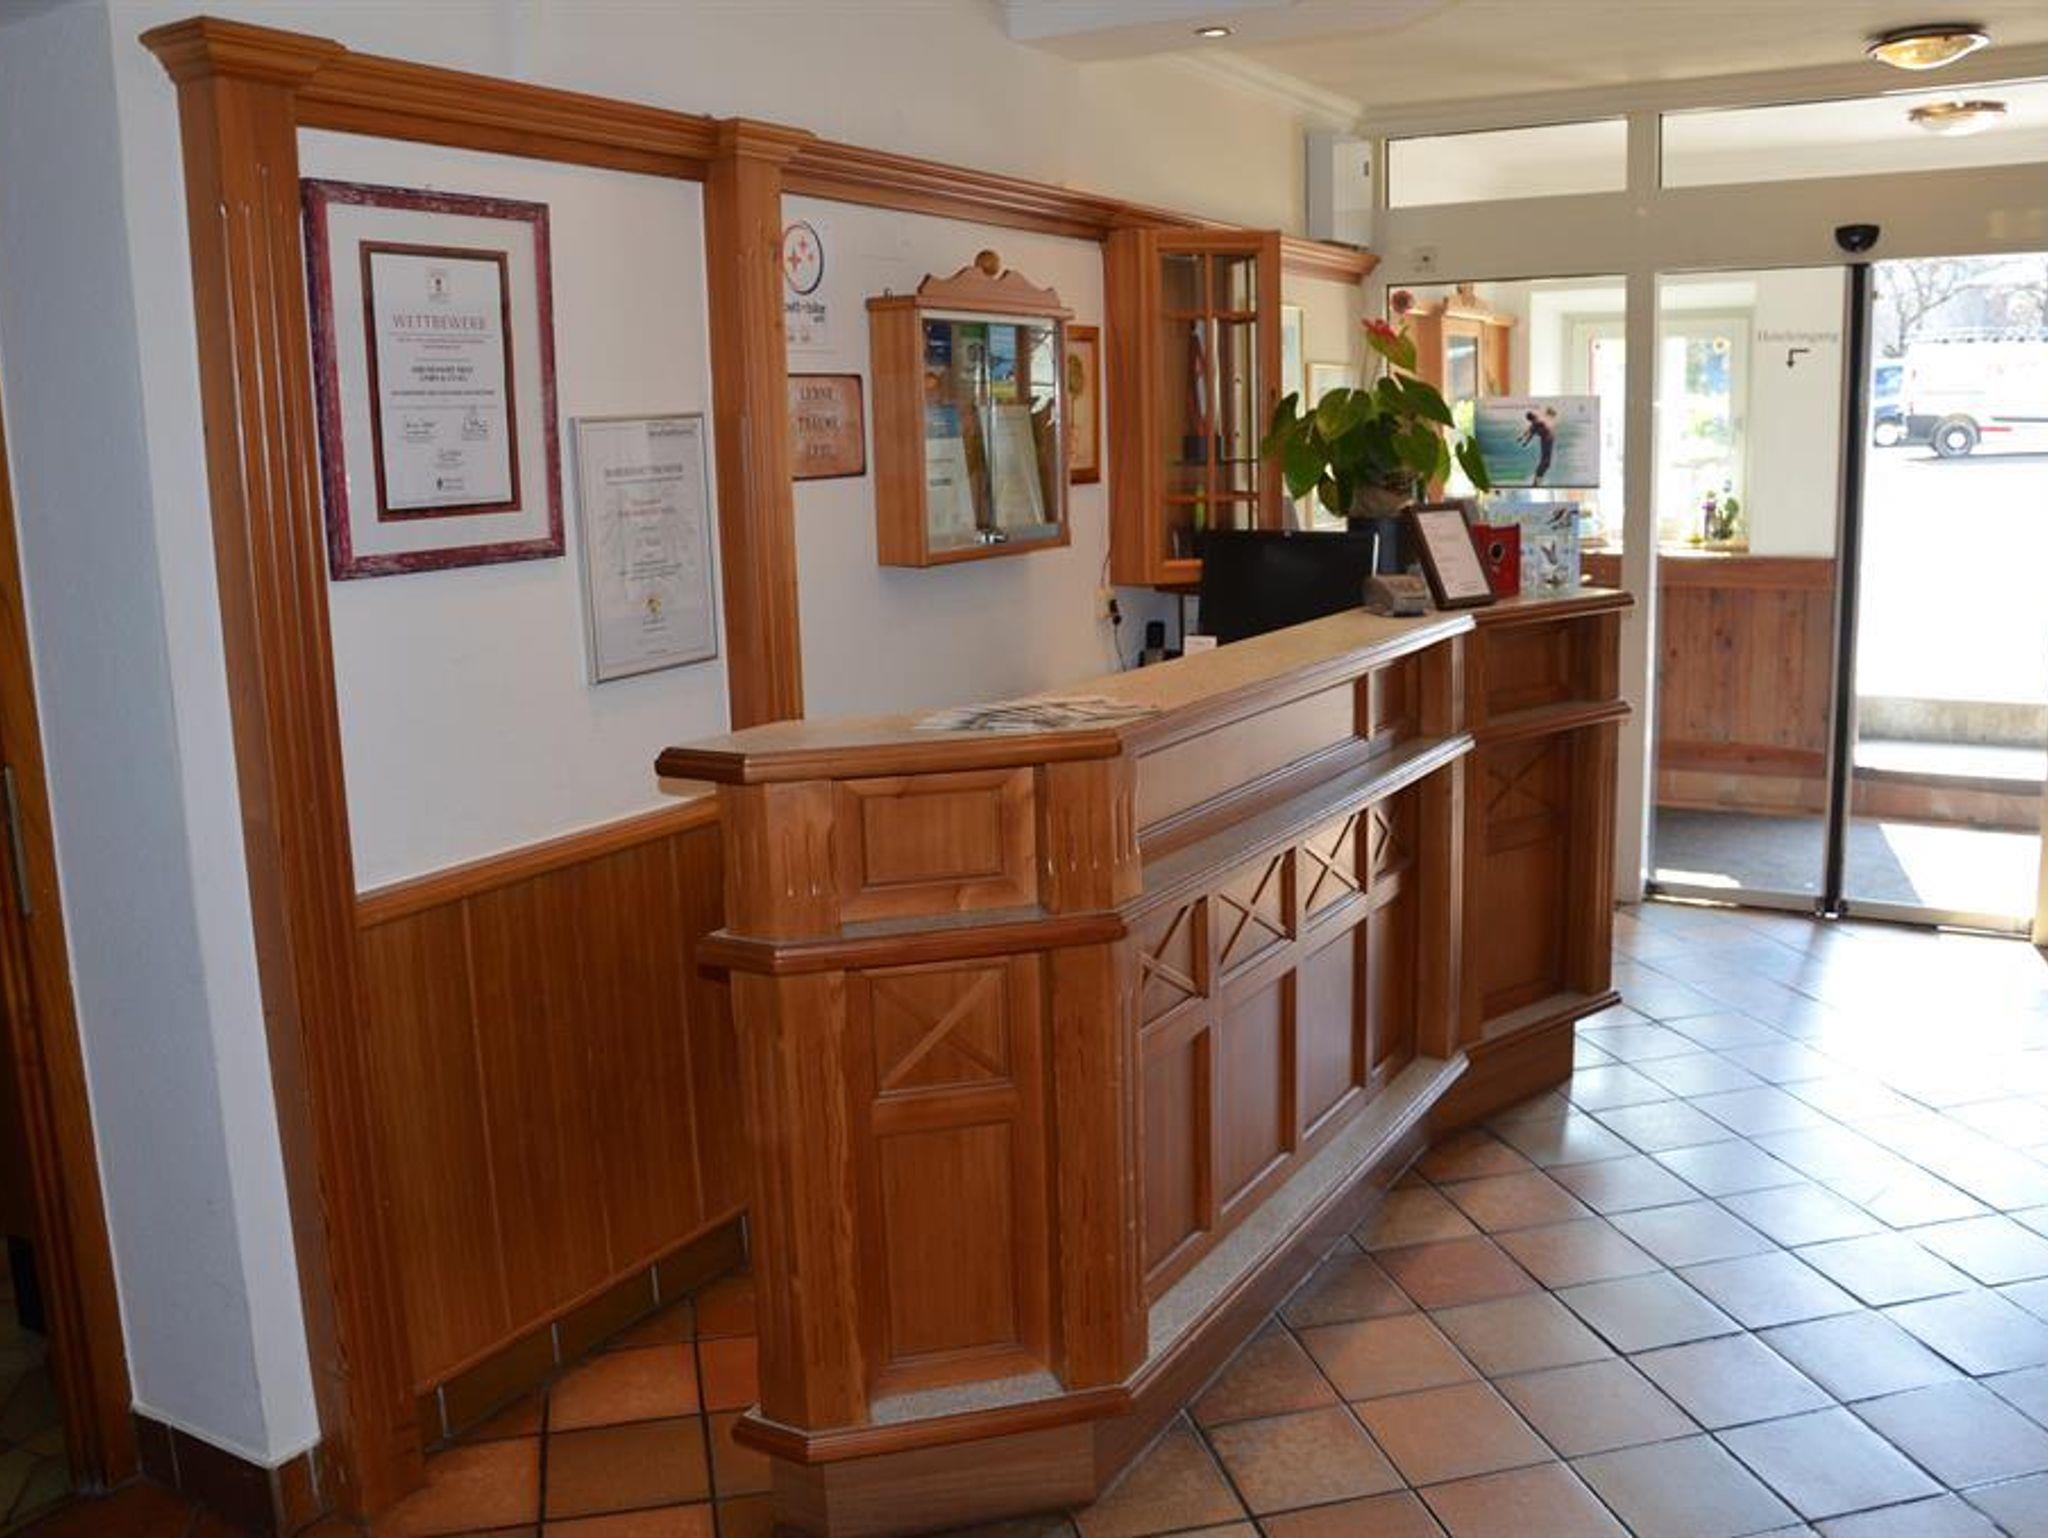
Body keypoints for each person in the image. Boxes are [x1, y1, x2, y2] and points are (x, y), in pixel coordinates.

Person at [1517, 408, 1558, 486]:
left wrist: (1523, 439)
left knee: (1546, 463)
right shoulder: (1536, 423)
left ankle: (1537, 481)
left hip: (1547, 440)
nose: (1535, 416)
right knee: (1546, 463)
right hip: (1546, 441)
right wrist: (1524, 440)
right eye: (1534, 416)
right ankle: (1536, 481)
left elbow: (1530, 431)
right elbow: (1530, 432)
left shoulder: (1537, 421)